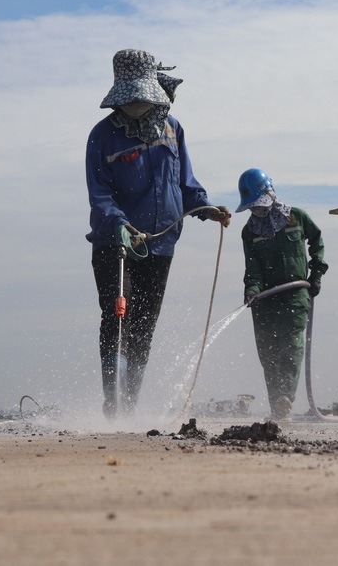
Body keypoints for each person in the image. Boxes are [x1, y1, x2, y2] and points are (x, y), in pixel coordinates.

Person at [85, 49, 231, 419]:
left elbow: (186, 184)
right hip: (115, 244)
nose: (135, 103)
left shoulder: (172, 129)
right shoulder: (102, 136)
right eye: (129, 97)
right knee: (118, 317)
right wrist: (120, 223)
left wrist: (206, 209)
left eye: (141, 95)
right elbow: (100, 193)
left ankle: (130, 401)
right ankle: (112, 401)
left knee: (144, 327)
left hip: (162, 244)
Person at [238, 168, 328, 420]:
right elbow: (252, 267)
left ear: (270, 194)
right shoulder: (250, 232)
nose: (258, 211)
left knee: (290, 347)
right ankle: (277, 404)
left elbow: (317, 241)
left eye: (260, 204)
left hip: (295, 294)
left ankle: (285, 397)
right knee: (268, 352)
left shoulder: (296, 218)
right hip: (264, 299)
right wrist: (251, 289)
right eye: (253, 207)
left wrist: (317, 273)